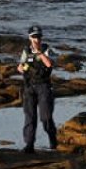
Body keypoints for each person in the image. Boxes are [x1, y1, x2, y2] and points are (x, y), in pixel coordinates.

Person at [17, 24, 58, 153]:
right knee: (30, 116)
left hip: (44, 86)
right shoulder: (26, 51)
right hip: (29, 86)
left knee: (46, 117)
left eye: (39, 37)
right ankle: (29, 145)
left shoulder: (47, 49)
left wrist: (39, 52)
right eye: (34, 37)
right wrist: (24, 68)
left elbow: (49, 64)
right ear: (30, 38)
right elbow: (20, 67)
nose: (37, 40)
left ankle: (52, 138)